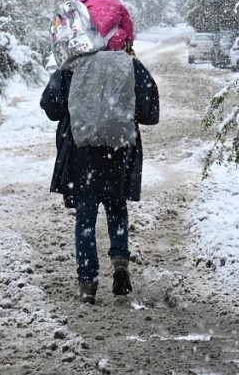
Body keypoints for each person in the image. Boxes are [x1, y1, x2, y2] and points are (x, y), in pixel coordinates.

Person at [40, 52, 159, 304]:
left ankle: (87, 284)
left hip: (81, 153)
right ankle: (119, 261)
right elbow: (150, 113)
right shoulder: (128, 64)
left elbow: (51, 107)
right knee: (116, 207)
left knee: (85, 218)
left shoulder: (72, 65)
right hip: (118, 152)